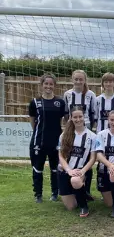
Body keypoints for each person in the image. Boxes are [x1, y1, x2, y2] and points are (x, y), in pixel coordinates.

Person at [29, 74, 68, 203]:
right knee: (37, 168)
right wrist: (39, 133)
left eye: (51, 84)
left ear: (54, 86)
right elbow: (33, 122)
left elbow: (66, 120)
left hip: (56, 141)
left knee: (55, 168)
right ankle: (38, 195)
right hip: (38, 141)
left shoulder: (60, 102)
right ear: (42, 85)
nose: (48, 86)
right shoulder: (35, 102)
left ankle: (54, 193)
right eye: (46, 84)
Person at [56, 107, 97, 217]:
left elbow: (93, 158)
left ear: (84, 118)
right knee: (71, 207)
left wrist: (83, 171)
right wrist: (68, 170)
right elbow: (61, 156)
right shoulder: (64, 135)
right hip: (65, 172)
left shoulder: (92, 136)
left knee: (75, 180)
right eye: (75, 117)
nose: (78, 119)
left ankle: (84, 207)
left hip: (81, 171)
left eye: (80, 117)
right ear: (71, 118)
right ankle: (83, 193)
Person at [64, 69, 97, 201]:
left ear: (85, 80)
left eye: (80, 79)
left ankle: (86, 190)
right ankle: (71, 188)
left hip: (86, 127)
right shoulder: (67, 94)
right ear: (72, 80)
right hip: (71, 128)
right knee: (72, 156)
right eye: (76, 79)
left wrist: (88, 127)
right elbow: (66, 113)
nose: (78, 81)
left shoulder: (90, 94)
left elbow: (93, 113)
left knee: (87, 159)